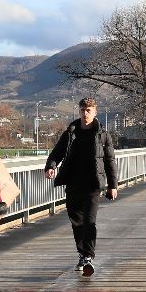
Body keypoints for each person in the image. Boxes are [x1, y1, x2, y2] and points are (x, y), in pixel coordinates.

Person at [44, 97, 117, 276]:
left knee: (89, 221)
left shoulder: (103, 135)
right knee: (76, 221)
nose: (85, 113)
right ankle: (82, 254)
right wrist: (51, 166)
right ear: (79, 111)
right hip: (73, 183)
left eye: (88, 110)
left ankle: (88, 256)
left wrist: (113, 185)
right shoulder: (71, 133)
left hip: (93, 185)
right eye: (83, 110)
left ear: (95, 112)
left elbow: (110, 161)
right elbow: (58, 151)